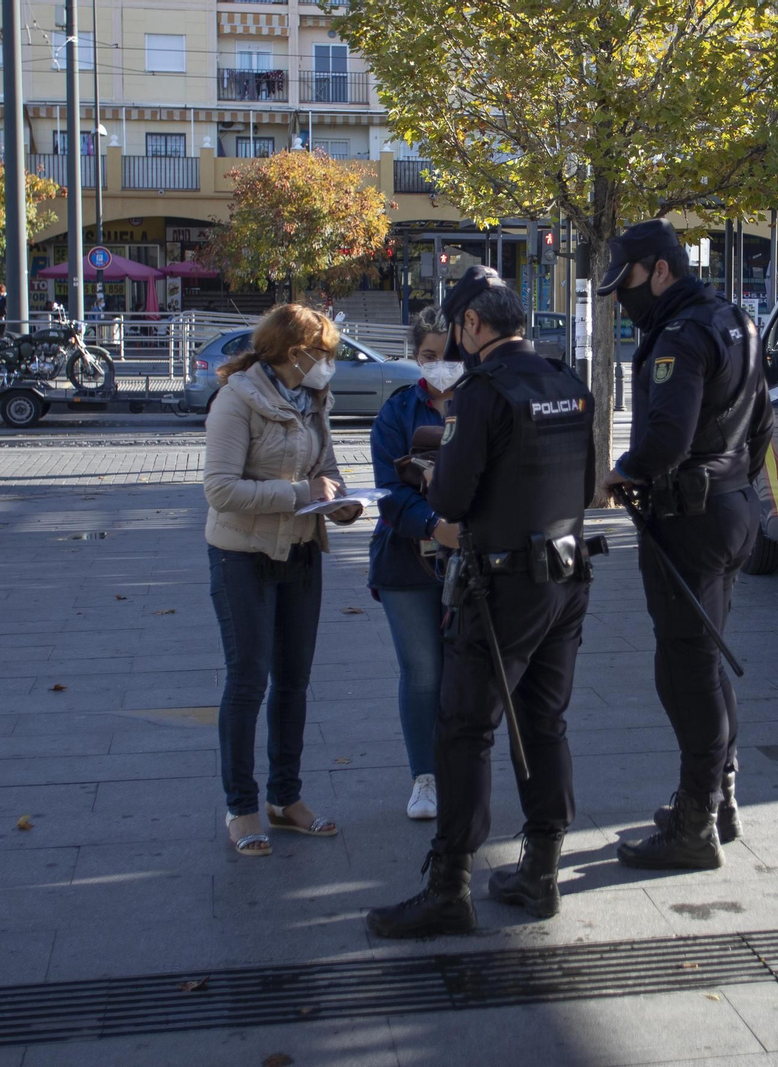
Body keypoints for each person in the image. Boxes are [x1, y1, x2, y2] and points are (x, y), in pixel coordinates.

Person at [367, 267, 596, 938]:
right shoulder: (567, 381)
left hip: (502, 585)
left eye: (459, 332)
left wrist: (440, 472)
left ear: (471, 325)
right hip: (567, 575)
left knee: (464, 728)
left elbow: (450, 501)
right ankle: (542, 870)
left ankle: (448, 887)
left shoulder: (482, 393)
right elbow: (585, 484)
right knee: (545, 722)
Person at [598, 219, 772, 871]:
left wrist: (624, 469)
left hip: (689, 521)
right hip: (730, 510)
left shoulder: (680, 334)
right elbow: (763, 426)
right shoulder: (737, 321)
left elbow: (665, 439)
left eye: (629, 282)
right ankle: (717, 798)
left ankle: (696, 820)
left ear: (661, 271)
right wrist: (728, 484)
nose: (624, 297)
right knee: (706, 660)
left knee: (685, 670)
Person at [203, 303, 362, 857]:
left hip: (300, 553)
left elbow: (328, 472)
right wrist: (301, 496)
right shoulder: (236, 399)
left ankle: (285, 799)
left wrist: (342, 503)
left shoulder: (313, 399)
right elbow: (220, 490)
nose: (329, 365)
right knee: (248, 680)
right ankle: (241, 808)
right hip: (241, 556)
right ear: (294, 353)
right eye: (325, 354)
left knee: (293, 680)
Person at [367, 308, 463, 820]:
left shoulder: (483, 403)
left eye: (449, 355)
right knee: (423, 671)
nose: (440, 365)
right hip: (406, 558)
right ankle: (424, 778)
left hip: (471, 558)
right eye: (429, 356)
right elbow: (388, 495)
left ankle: (460, 771)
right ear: (415, 356)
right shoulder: (399, 411)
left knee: (462, 671)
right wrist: (432, 524)